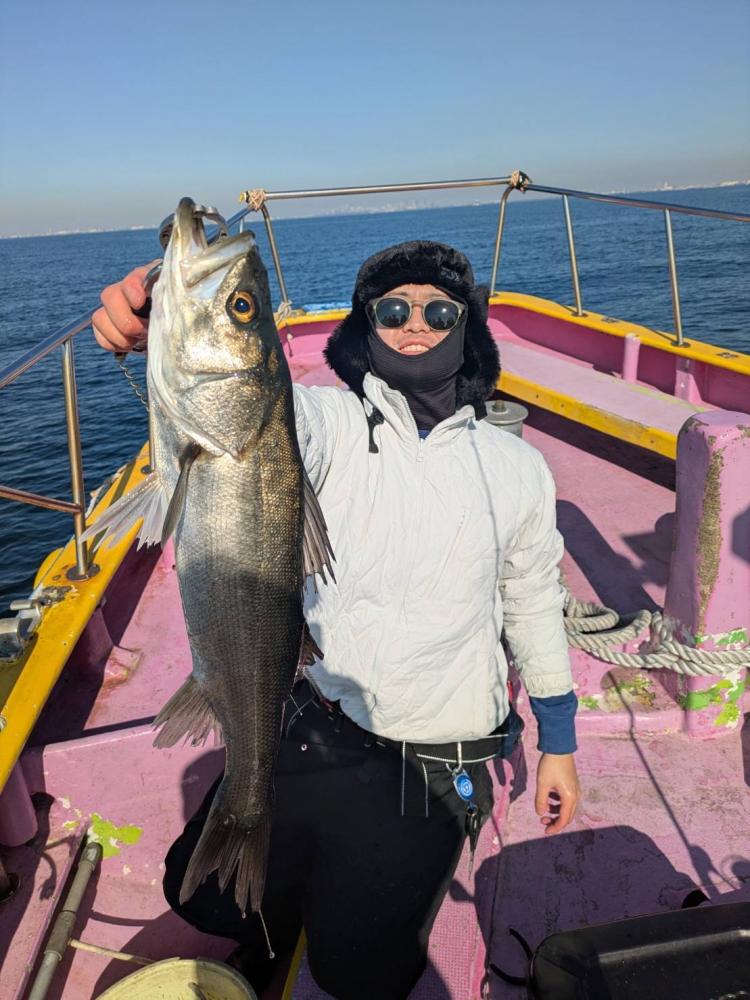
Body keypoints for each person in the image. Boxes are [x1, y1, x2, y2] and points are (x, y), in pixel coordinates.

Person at [93, 239, 581, 1000]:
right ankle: (276, 917)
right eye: (393, 309)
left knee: (359, 973)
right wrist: (160, 307)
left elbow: (532, 598)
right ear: (366, 326)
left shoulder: (517, 466)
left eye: (439, 311)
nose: (415, 324)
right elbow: (252, 405)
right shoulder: (325, 421)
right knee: (200, 896)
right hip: (318, 715)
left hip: (433, 756)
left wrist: (557, 740)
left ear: (467, 326)